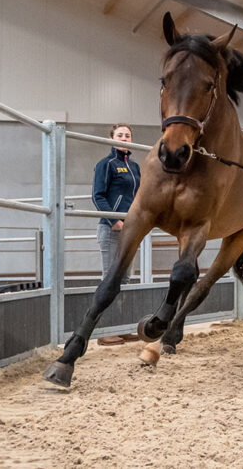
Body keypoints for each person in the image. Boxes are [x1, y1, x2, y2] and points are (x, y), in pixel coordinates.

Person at [92, 123, 141, 345]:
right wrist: (114, 220)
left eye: (127, 135)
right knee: (110, 278)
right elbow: (98, 196)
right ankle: (104, 331)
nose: (124, 138)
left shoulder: (135, 167)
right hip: (112, 229)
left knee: (127, 279)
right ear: (112, 138)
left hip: (131, 230)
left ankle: (121, 327)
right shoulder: (105, 165)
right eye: (120, 135)